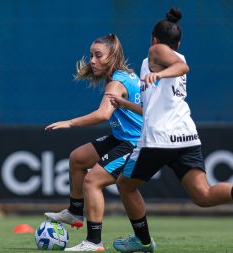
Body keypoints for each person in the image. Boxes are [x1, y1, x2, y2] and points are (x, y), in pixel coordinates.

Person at [108, 8, 233, 253]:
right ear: (179, 42)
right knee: (203, 195)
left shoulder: (156, 52)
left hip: (159, 140)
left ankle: (143, 241)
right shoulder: (158, 63)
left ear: (154, 39)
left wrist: (159, 73)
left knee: (125, 186)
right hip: (186, 136)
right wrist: (127, 104)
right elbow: (154, 106)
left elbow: (182, 67)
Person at [44, 33, 144, 251]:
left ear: (112, 56)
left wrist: (70, 122)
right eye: (91, 55)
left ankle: (94, 242)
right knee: (78, 158)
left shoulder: (116, 83)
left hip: (134, 143)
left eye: (98, 56)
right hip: (120, 137)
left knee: (92, 181)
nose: (92, 60)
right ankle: (75, 212)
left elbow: (102, 115)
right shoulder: (121, 76)